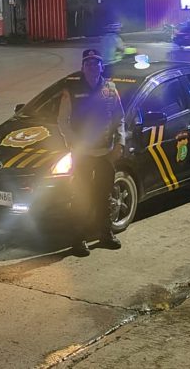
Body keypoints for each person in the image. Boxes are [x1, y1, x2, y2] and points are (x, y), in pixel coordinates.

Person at [57, 49, 125, 257]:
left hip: (105, 153)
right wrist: (74, 143)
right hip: (83, 154)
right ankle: (78, 239)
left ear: (102, 66)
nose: (93, 67)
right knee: (81, 196)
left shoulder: (110, 89)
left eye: (96, 63)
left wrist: (120, 142)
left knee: (104, 196)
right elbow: (62, 121)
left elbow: (119, 118)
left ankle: (105, 234)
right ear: (82, 67)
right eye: (88, 64)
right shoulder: (71, 90)